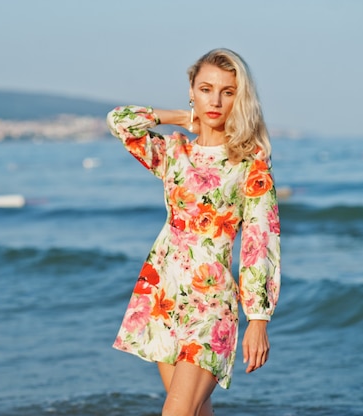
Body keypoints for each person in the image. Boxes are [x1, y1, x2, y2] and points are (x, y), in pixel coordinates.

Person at [106, 48, 281, 416]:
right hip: (164, 294)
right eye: (206, 89)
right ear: (192, 90)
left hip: (211, 303)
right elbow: (120, 121)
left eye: (228, 92)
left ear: (240, 97)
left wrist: (258, 319)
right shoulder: (173, 152)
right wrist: (183, 118)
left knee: (177, 409)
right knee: (195, 410)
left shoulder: (250, 162)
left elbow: (259, 241)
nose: (215, 100)